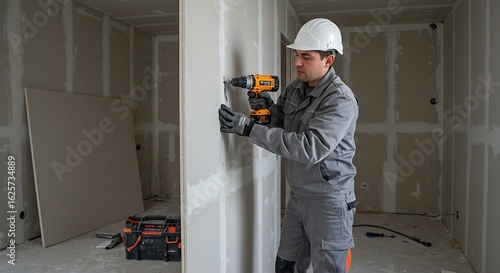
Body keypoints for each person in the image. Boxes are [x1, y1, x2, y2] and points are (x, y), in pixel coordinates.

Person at [218, 18, 358, 273]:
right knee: (287, 265)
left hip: (328, 201)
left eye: (306, 56)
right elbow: (282, 122)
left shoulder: (340, 100)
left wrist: (249, 128)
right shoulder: (295, 89)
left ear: (329, 60)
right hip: (298, 197)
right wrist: (267, 109)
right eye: (296, 55)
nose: (297, 63)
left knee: (329, 269)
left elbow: (311, 148)